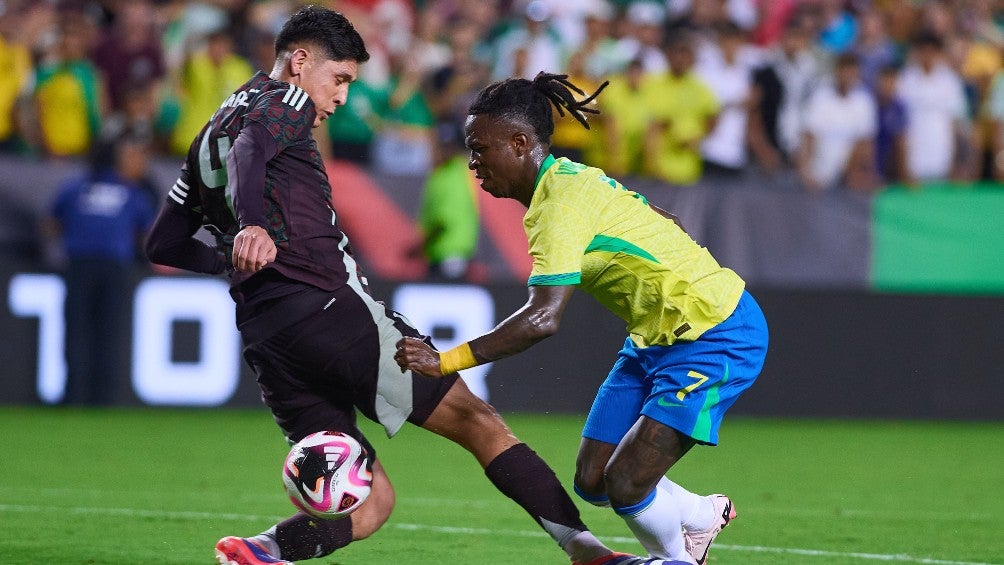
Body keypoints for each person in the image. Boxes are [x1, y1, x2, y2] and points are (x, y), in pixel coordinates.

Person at [143, 7, 677, 565]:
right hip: (329, 310)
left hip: (265, 335)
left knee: (371, 504)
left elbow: (163, 243)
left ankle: (260, 551)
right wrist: (252, 224)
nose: (342, 98)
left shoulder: (210, 132)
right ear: (299, 62)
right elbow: (256, 149)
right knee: (479, 423)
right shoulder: (285, 100)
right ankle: (591, 554)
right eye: (340, 79)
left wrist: (233, 257)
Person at [395, 72, 769, 565]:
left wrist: (446, 361)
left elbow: (541, 320)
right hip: (653, 340)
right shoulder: (565, 182)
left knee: (627, 482)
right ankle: (700, 514)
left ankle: (677, 559)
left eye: (480, 148)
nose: (472, 161)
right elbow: (664, 218)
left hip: (714, 332)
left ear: (520, 142)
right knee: (592, 480)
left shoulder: (561, 204)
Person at [48, 132, 156, 404]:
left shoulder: (75, 187)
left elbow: (50, 223)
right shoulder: (130, 192)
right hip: (114, 267)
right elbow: (146, 233)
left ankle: (72, 396)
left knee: (75, 331)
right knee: (109, 332)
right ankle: (104, 398)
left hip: (79, 265)